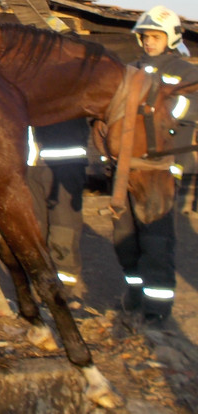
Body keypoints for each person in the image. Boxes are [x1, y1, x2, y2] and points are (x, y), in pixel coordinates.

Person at [116, 5, 198, 323]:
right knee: (125, 239)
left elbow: (185, 114)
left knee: (156, 241)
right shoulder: (130, 70)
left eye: (155, 36)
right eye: (145, 37)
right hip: (128, 167)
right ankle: (134, 293)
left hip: (162, 169)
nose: (149, 42)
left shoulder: (187, 73)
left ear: (171, 37)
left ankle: (158, 310)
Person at [26, 118, 91, 296]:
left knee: (63, 226)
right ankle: (40, 284)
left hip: (64, 160)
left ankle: (62, 291)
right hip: (28, 164)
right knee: (34, 226)